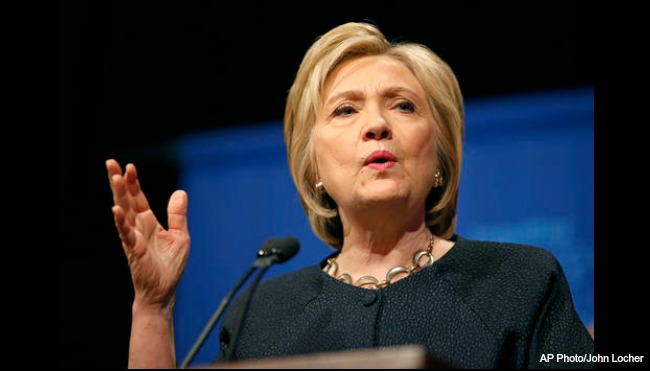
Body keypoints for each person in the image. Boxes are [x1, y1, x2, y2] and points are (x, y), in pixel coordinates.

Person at [106, 21, 594, 368]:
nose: (377, 125)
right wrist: (153, 307)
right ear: (313, 166)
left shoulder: (521, 281)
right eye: (345, 111)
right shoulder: (260, 312)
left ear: (441, 158)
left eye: (403, 105)